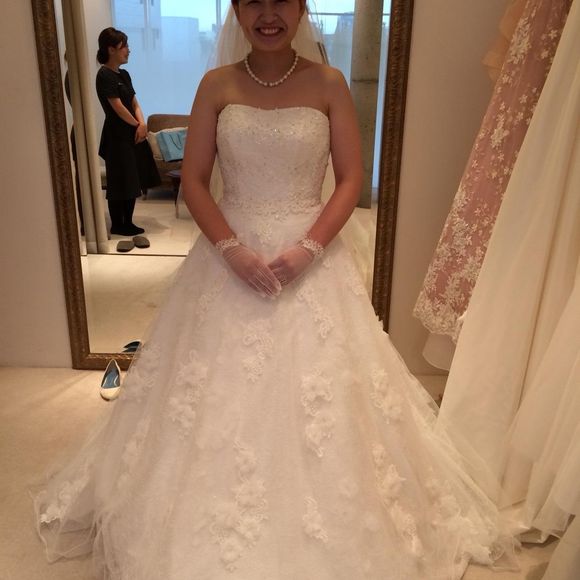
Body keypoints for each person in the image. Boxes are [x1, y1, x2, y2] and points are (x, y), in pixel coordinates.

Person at [34, 3, 512, 578]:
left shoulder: (330, 83)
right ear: (237, 9)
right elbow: (194, 180)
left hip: (311, 255)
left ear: (302, 6)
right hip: (228, 255)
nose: (268, 14)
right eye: (253, 1)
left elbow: (351, 179)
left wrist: (308, 249)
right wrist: (231, 249)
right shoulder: (216, 85)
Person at [95, 27, 160, 237]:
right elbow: (117, 107)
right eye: (125, 46)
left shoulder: (123, 74)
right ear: (111, 49)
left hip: (132, 133)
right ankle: (118, 224)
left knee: (132, 179)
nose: (129, 50)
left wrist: (142, 124)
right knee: (119, 180)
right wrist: (137, 125)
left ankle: (128, 222)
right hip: (117, 136)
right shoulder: (104, 75)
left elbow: (133, 102)